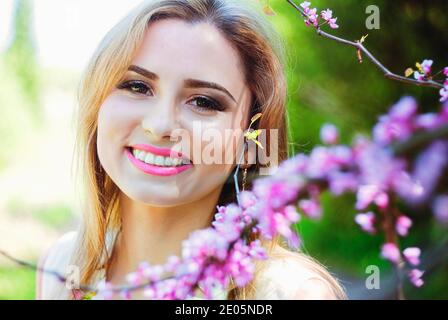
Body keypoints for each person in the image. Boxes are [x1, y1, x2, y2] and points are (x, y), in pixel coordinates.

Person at [36, 0, 346, 300]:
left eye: (203, 102)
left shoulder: (294, 294)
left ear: (252, 142)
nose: (159, 126)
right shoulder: (61, 267)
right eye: (137, 86)